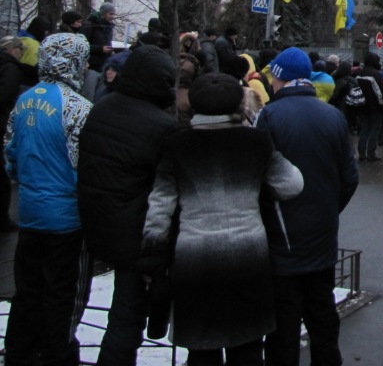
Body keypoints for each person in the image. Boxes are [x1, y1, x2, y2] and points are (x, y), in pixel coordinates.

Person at [143, 72, 304, 365]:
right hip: (248, 254)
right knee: (247, 348)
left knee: (202, 350)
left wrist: (154, 246)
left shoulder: (176, 144)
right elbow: (292, 185)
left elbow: (161, 203)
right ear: (236, 104)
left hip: (195, 257)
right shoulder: (256, 142)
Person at [256, 47, 359, 366]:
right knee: (322, 313)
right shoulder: (332, 115)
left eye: (273, 77)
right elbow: (350, 177)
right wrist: (328, 207)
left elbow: (258, 176)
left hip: (282, 235)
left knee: (283, 322)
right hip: (322, 233)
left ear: (281, 77)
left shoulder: (269, 116)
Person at [77, 45, 179, 365]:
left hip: (94, 220)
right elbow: (165, 187)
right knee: (127, 316)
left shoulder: (101, 108)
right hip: (135, 232)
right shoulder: (161, 126)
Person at [4, 33, 93, 366]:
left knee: (27, 292)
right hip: (66, 218)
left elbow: (10, 155)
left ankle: (19, 353)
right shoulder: (78, 108)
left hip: (30, 212)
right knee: (61, 294)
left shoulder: (24, 100)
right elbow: (83, 165)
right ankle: (57, 355)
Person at [0, 35, 28, 231]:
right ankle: (2, 219)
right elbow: (5, 95)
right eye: (20, 49)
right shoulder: (11, 68)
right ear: (13, 49)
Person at [354, 53, 383, 162]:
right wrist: (382, 105)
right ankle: (371, 153)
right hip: (375, 106)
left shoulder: (360, 73)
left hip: (362, 105)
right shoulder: (376, 74)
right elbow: (379, 92)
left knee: (364, 129)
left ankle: (361, 153)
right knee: (374, 129)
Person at [17, 14, 52, 85]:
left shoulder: (18, 38)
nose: (47, 33)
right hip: (26, 82)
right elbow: (33, 67)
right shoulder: (34, 45)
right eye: (46, 30)